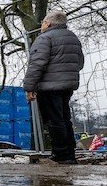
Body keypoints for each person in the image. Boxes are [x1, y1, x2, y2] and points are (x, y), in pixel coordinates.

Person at [23, 11, 84, 164]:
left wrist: (29, 87)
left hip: (49, 86)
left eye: (43, 22)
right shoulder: (73, 37)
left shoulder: (44, 38)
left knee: (54, 120)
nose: (42, 26)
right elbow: (80, 62)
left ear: (48, 23)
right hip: (68, 85)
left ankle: (61, 155)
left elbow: (37, 64)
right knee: (65, 119)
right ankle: (69, 153)